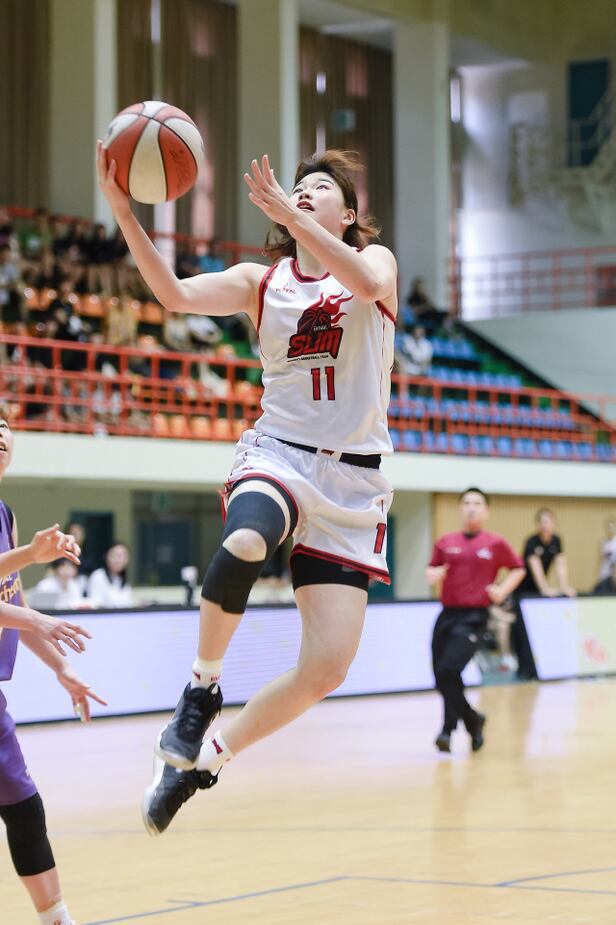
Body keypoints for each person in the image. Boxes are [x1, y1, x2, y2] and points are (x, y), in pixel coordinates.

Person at [97, 142, 397, 835]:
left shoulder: (374, 265)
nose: (306, 190)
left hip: (353, 482)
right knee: (245, 541)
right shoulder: (262, 282)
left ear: (348, 215)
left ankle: (202, 763)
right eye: (300, 185)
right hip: (279, 454)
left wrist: (299, 222)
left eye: (321, 187)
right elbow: (173, 294)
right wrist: (124, 210)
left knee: (326, 669)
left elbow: (366, 283)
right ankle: (200, 688)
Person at [0, 412, 106, 925]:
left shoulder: (5, 514)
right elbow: (23, 611)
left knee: (23, 804)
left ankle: (56, 917)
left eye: (2, 424)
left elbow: (11, 600)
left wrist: (61, 668)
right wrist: (30, 561)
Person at [426, 487, 525, 754]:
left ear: (486, 510)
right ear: (460, 508)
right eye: (467, 503)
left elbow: (518, 568)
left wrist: (502, 590)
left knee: (449, 670)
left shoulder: (495, 543)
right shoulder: (445, 542)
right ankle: (472, 721)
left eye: (477, 503)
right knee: (442, 677)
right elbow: (432, 568)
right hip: (446, 616)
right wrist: (432, 574)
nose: (471, 507)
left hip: (473, 618)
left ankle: (449, 728)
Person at [518, 508, 576, 598]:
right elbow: (535, 566)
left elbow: (560, 564)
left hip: (538, 590)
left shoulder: (556, 540)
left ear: (553, 523)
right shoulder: (531, 541)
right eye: (541, 522)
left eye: (547, 522)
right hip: (523, 588)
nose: (544, 525)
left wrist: (564, 587)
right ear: (537, 524)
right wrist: (544, 588)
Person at [86, 542, 133, 608]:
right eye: (114, 555)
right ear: (106, 556)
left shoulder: (124, 581)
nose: (117, 560)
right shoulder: (98, 576)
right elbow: (95, 605)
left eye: (121, 556)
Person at [597, 516, 616, 583]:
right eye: (608, 528)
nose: (610, 530)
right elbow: (601, 558)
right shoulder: (603, 542)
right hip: (605, 571)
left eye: (612, 527)